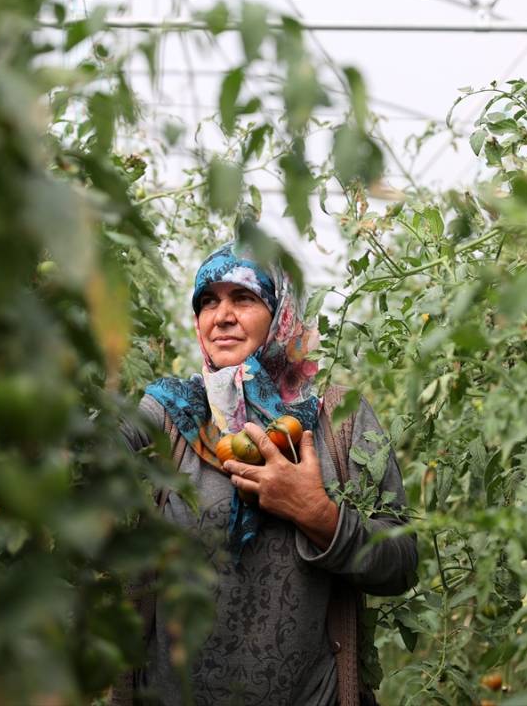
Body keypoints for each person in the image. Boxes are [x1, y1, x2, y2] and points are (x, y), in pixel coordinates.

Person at [117, 242, 417, 705]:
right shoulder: (171, 411)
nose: (222, 316)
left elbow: (400, 563)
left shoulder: (338, 417)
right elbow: (87, 463)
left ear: (281, 314)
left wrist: (316, 513)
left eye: (243, 298)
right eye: (208, 302)